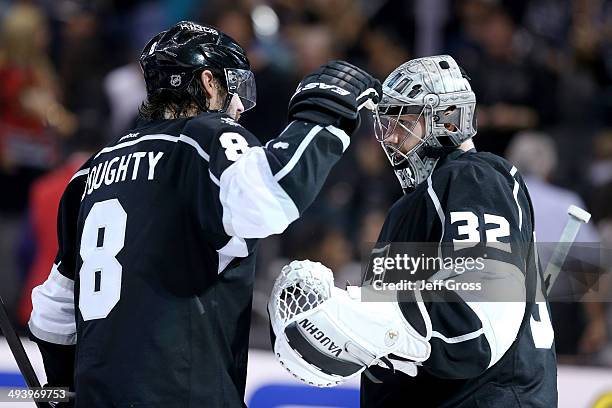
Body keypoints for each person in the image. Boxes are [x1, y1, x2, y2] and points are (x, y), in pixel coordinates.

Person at [27, 21, 381, 407]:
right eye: (238, 86)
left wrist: (62, 389)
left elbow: (51, 312)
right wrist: (326, 111)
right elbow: (270, 195)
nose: (242, 105)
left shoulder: (91, 170)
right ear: (210, 82)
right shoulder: (205, 136)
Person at [268, 55, 556, 407]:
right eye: (385, 124)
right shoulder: (413, 205)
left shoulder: (473, 176)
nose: (388, 139)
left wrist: (350, 311)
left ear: (447, 119)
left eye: (402, 122)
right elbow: (402, 340)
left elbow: (477, 325)